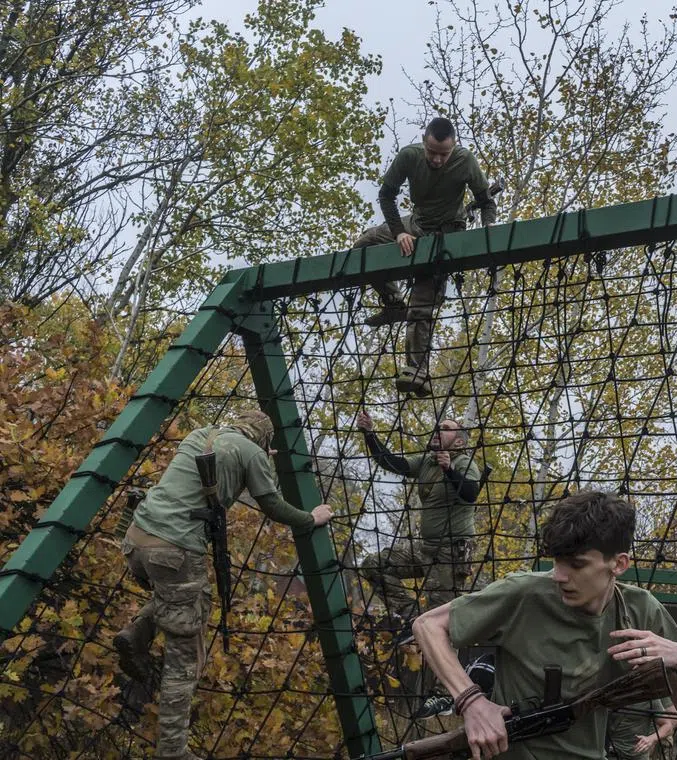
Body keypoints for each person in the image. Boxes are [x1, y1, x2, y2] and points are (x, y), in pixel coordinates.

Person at [411, 490, 677, 759]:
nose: (559, 575)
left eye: (577, 564)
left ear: (618, 564)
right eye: (556, 560)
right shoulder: (524, 594)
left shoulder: (640, 609)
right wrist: (472, 702)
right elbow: (428, 625)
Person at [113, 410, 334, 760]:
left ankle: (137, 633)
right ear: (264, 439)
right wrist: (311, 518)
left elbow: (226, 455)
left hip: (137, 538)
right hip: (174, 549)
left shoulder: (201, 434)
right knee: (185, 657)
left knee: (186, 595)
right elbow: (272, 504)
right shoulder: (252, 453)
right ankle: (172, 752)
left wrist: (256, 454)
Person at [354, 116, 498, 397]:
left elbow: (485, 199)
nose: (437, 159)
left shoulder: (465, 161)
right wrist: (398, 232)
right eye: (432, 152)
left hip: (445, 234)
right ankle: (393, 302)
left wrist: (489, 225)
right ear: (424, 143)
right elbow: (386, 195)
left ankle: (417, 370)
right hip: (416, 224)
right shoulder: (409, 156)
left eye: (444, 154)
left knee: (421, 305)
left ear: (453, 147)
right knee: (365, 245)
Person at [355, 409, 484, 631]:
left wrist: (449, 470)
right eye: (438, 426)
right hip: (426, 548)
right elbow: (392, 463)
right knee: (374, 565)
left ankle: (431, 633)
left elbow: (471, 493)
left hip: (450, 553)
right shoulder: (427, 462)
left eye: (446, 429)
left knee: (440, 620)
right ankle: (413, 619)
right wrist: (369, 434)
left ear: (459, 442)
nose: (438, 430)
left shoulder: (465, 463)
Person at [606, 697, 677, 760]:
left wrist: (651, 739)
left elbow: (668, 725)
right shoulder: (611, 693)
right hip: (611, 751)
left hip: (636, 755)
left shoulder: (649, 698)